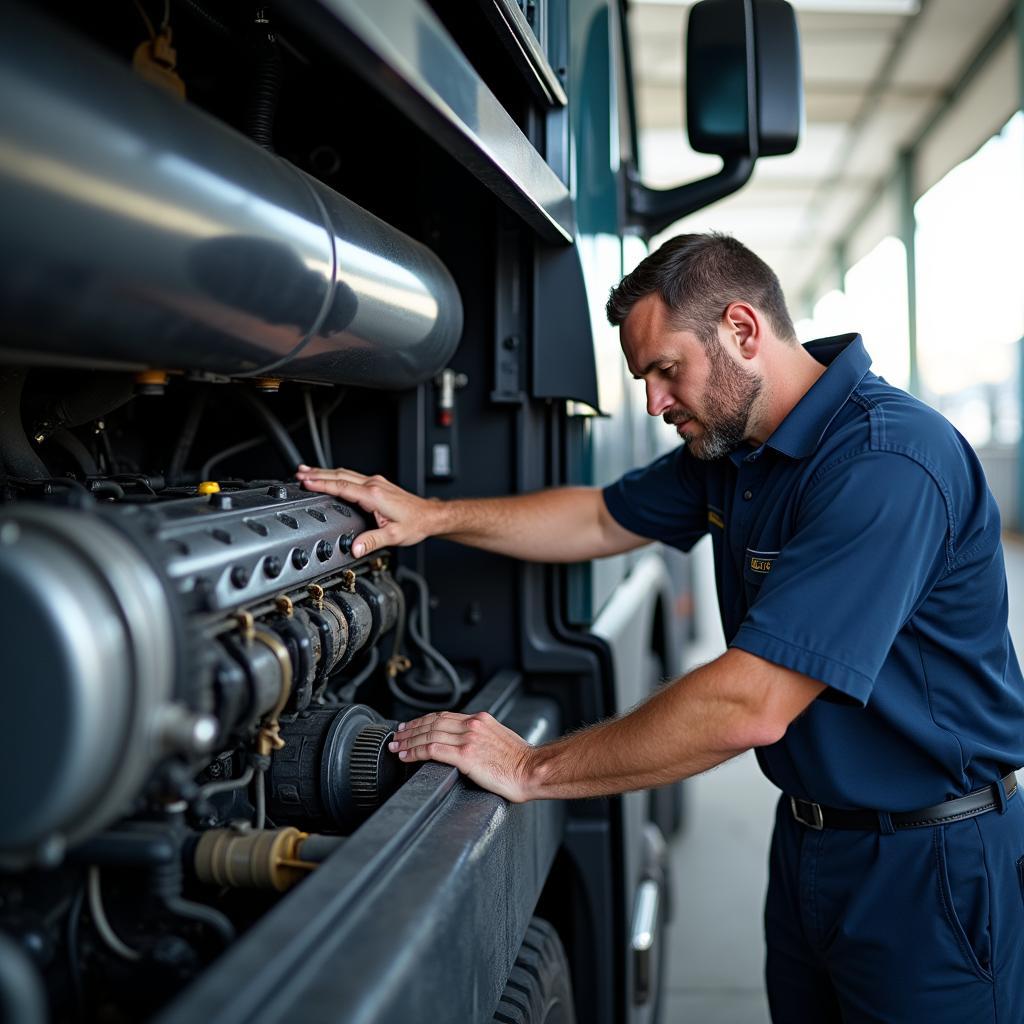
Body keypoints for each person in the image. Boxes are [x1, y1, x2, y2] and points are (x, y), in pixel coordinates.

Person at [296, 233, 1024, 1023]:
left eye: (665, 369)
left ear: (743, 330)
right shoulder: (738, 450)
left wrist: (534, 769)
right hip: (813, 843)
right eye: (644, 376)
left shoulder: (887, 462)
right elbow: (600, 517)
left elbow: (749, 703)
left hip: (931, 867)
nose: (653, 402)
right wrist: (433, 516)